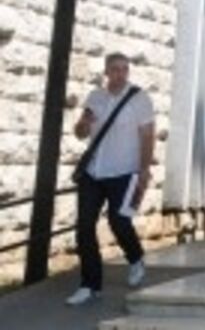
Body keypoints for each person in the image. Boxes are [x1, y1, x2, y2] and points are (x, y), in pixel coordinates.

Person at [66, 52, 156, 307]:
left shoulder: (139, 99)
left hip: (124, 171)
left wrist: (144, 170)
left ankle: (136, 258)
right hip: (94, 172)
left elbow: (147, 136)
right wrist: (83, 124)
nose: (120, 74)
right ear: (106, 72)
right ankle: (90, 285)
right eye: (115, 69)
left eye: (124, 69)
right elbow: (80, 133)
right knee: (84, 226)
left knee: (119, 221)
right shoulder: (96, 97)